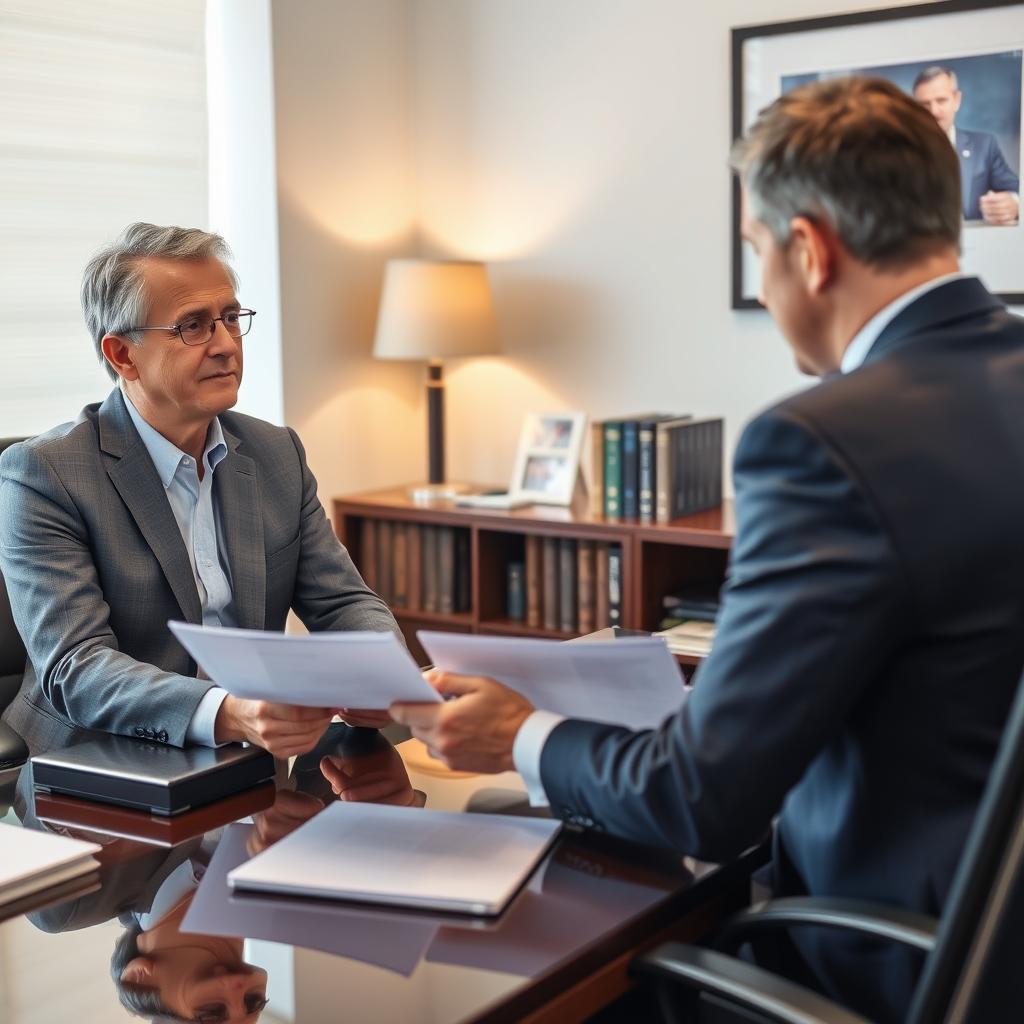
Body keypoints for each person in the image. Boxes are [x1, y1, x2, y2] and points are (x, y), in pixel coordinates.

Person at [391, 76, 1024, 1022]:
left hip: (874, 965)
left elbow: (703, 801)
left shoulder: (820, 442)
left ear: (809, 251)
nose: (765, 284)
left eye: (756, 250)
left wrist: (517, 734)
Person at [0, 223, 397, 758]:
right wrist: (230, 712)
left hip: (251, 759)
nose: (227, 346)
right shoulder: (45, 474)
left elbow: (344, 601)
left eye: (231, 319)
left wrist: (379, 674)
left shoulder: (275, 452)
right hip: (93, 764)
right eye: (193, 327)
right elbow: (77, 666)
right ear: (122, 354)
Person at [912, 65, 1020, 224]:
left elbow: (1017, 190)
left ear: (956, 100)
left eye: (941, 100)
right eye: (924, 104)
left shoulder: (984, 146)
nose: (934, 111)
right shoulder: (898, 153)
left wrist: (1014, 203)